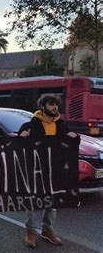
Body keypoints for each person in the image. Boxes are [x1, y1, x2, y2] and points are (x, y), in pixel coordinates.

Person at [18, 94, 78, 248]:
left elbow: (70, 146)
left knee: (52, 199)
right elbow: (19, 146)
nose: (55, 107)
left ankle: (47, 229)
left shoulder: (62, 126)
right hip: (34, 169)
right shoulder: (31, 125)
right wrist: (21, 137)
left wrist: (74, 137)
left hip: (54, 170)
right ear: (43, 106)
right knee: (32, 199)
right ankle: (30, 230)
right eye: (51, 104)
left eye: (56, 104)